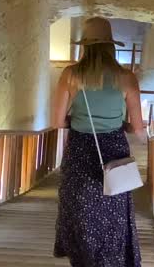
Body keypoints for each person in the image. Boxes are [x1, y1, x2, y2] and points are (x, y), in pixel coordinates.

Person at [51, 17, 146, 267]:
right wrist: (120, 124)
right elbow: (138, 127)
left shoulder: (71, 75)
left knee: (81, 209)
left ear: (85, 46)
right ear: (110, 46)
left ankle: (84, 258)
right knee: (113, 209)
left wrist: (79, 120)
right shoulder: (126, 78)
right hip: (114, 150)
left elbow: (57, 121)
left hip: (80, 149)